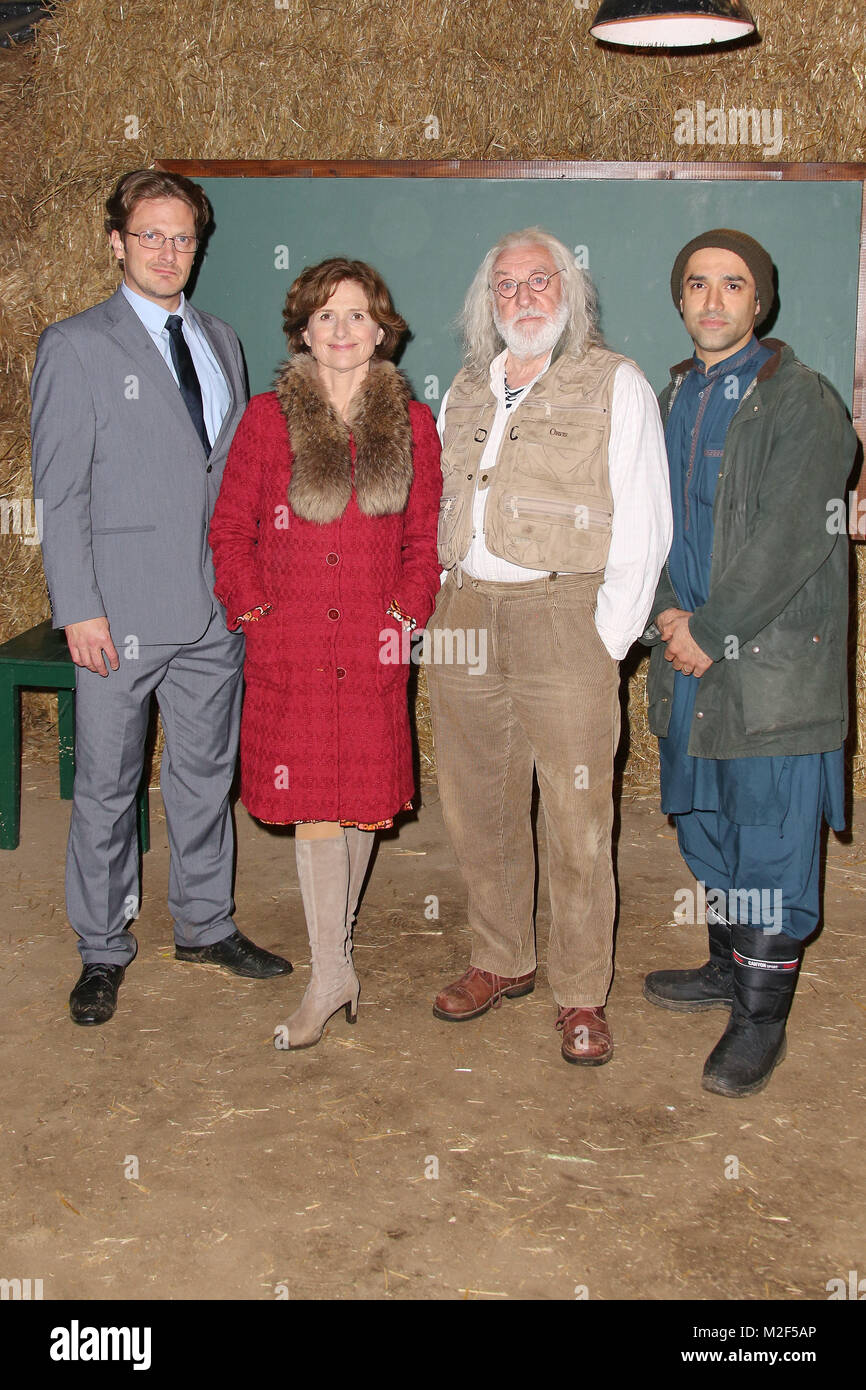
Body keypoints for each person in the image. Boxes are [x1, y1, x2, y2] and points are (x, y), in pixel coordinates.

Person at [30, 169, 291, 1028]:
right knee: (108, 788)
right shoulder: (74, 345)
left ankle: (205, 924)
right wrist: (79, 609)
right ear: (116, 241)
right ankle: (102, 948)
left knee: (205, 778)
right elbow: (60, 494)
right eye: (150, 235)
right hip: (120, 615)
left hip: (215, 612)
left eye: (183, 238)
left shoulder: (221, 339)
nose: (169, 252)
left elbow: (228, 478)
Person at [427, 227, 672, 1066]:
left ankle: (579, 992)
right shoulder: (463, 388)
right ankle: (500, 960)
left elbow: (645, 520)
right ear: (486, 303)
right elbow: (444, 504)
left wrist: (604, 638)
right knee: (476, 804)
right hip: (464, 613)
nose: (523, 297)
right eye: (506, 285)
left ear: (570, 294)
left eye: (541, 280)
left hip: (563, 613)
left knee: (576, 817)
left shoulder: (616, 385)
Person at [642, 228, 858, 1097]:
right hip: (688, 657)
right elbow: (653, 518)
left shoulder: (805, 401)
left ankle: (760, 1020)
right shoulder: (674, 397)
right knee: (706, 824)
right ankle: (729, 968)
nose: (714, 300)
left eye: (733, 285)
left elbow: (793, 536)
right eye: (697, 284)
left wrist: (713, 626)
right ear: (681, 299)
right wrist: (664, 610)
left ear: (759, 301)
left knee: (769, 843)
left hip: (765, 669)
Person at [208, 258, 442, 1049]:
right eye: (326, 316)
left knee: (361, 801)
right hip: (294, 642)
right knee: (313, 800)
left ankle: (335, 961)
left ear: (383, 332)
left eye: (358, 316)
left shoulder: (414, 427)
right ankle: (327, 969)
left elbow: (422, 539)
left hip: (373, 645)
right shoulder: (267, 420)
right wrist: (253, 611)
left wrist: (406, 612)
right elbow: (230, 530)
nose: (342, 330)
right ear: (304, 330)